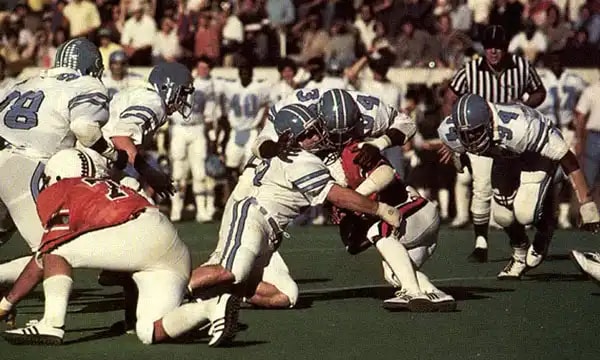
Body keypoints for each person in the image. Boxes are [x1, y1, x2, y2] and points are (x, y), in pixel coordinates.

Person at [0, 149, 237, 347]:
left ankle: (51, 324)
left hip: (137, 234)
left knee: (54, 250)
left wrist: (6, 303)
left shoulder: (62, 189)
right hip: (167, 241)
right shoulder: (111, 185)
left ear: (56, 175)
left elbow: (46, 253)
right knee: (148, 331)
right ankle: (210, 308)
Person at [187, 103, 403, 315]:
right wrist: (381, 209)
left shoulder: (293, 152)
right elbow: (336, 195)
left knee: (285, 295)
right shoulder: (299, 158)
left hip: (269, 230)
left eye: (315, 129)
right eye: (308, 134)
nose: (316, 137)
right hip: (254, 216)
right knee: (231, 270)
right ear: (292, 139)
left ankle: (220, 291)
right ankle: (174, 289)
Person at [0, 38, 126, 286]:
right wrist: (113, 154)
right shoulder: (87, 84)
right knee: (52, 252)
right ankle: (50, 322)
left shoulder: (29, 81)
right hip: (23, 164)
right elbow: (84, 129)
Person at [438, 94, 600, 279]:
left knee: (525, 213)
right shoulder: (450, 131)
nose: (471, 140)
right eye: (465, 135)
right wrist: (459, 154)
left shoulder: (521, 128)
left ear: (489, 122)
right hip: (505, 156)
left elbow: (567, 158)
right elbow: (462, 143)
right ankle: (519, 253)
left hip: (535, 155)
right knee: (502, 216)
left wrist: (586, 203)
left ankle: (545, 228)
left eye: (475, 132)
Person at [442, 24, 547, 263]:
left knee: (516, 189)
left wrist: (525, 108)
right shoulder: (470, 69)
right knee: (482, 186)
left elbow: (539, 91)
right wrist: (454, 128)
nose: (493, 52)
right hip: (480, 136)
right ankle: (481, 242)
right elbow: (450, 97)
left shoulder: (520, 66)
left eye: (498, 47)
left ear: (506, 48)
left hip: (513, 137)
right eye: (489, 47)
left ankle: (522, 237)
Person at [330, 141, 456, 311]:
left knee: (378, 232)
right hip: (410, 230)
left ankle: (412, 292)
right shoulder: (341, 205)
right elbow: (353, 246)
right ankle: (435, 294)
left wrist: (355, 197)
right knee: (393, 273)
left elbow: (386, 172)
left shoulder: (353, 154)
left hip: (417, 212)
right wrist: (350, 210)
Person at [537, 52, 587, 229]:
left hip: (567, 129)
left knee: (568, 174)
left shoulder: (574, 79)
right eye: (553, 60)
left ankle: (564, 216)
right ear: (548, 62)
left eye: (559, 60)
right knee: (544, 174)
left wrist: (576, 116)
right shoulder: (542, 79)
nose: (556, 63)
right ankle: (543, 214)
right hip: (548, 131)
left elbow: (586, 94)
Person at [169, 57, 220, 223]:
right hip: (179, 128)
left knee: (199, 172)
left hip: (198, 128)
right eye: (201, 68)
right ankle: (176, 209)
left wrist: (212, 136)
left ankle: (202, 210)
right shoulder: (173, 83)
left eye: (206, 68)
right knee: (178, 172)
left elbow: (210, 114)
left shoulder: (208, 86)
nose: (203, 71)